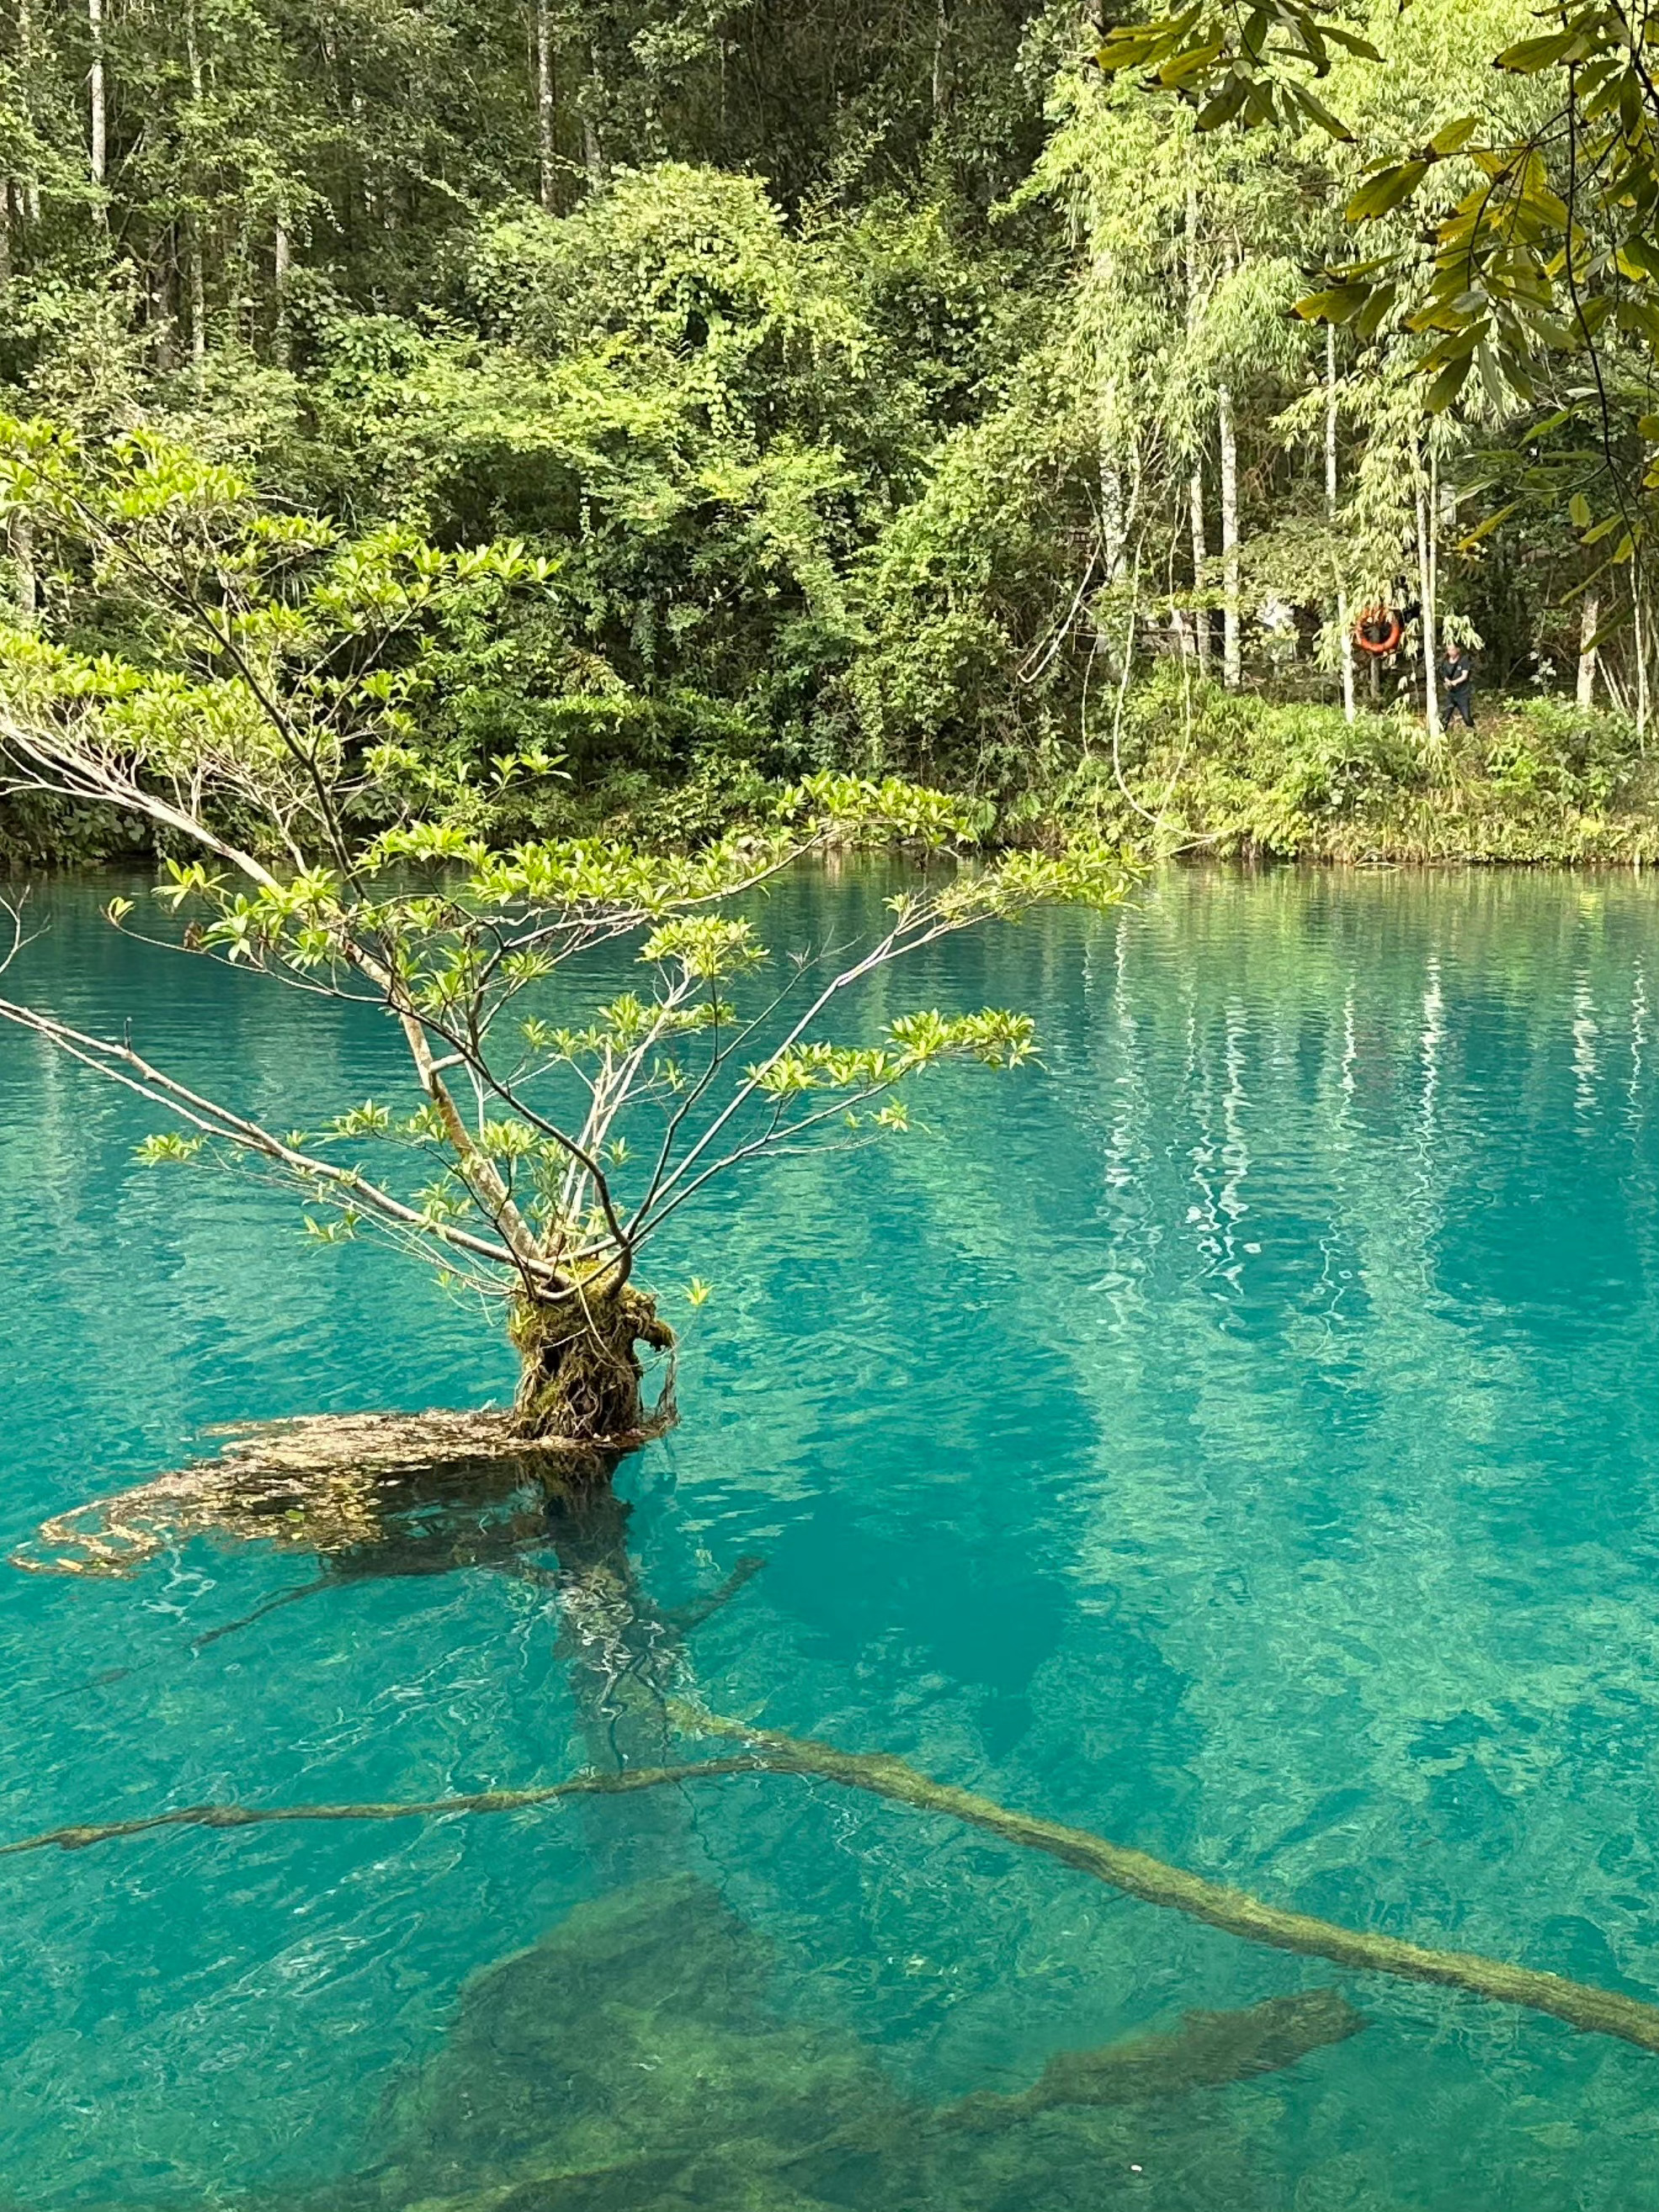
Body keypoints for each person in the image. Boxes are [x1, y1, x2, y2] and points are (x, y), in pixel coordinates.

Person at [1442, 639, 1475, 729]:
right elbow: (1444, 675)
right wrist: (1447, 682)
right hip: (1451, 694)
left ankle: (1474, 732)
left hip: (1463, 694)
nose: (1450, 652)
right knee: (1445, 717)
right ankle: (1441, 736)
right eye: (1449, 650)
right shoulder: (1445, 661)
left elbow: (1464, 676)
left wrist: (1454, 682)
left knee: (1467, 718)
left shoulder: (1464, 660)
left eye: (1452, 649)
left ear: (1458, 649)